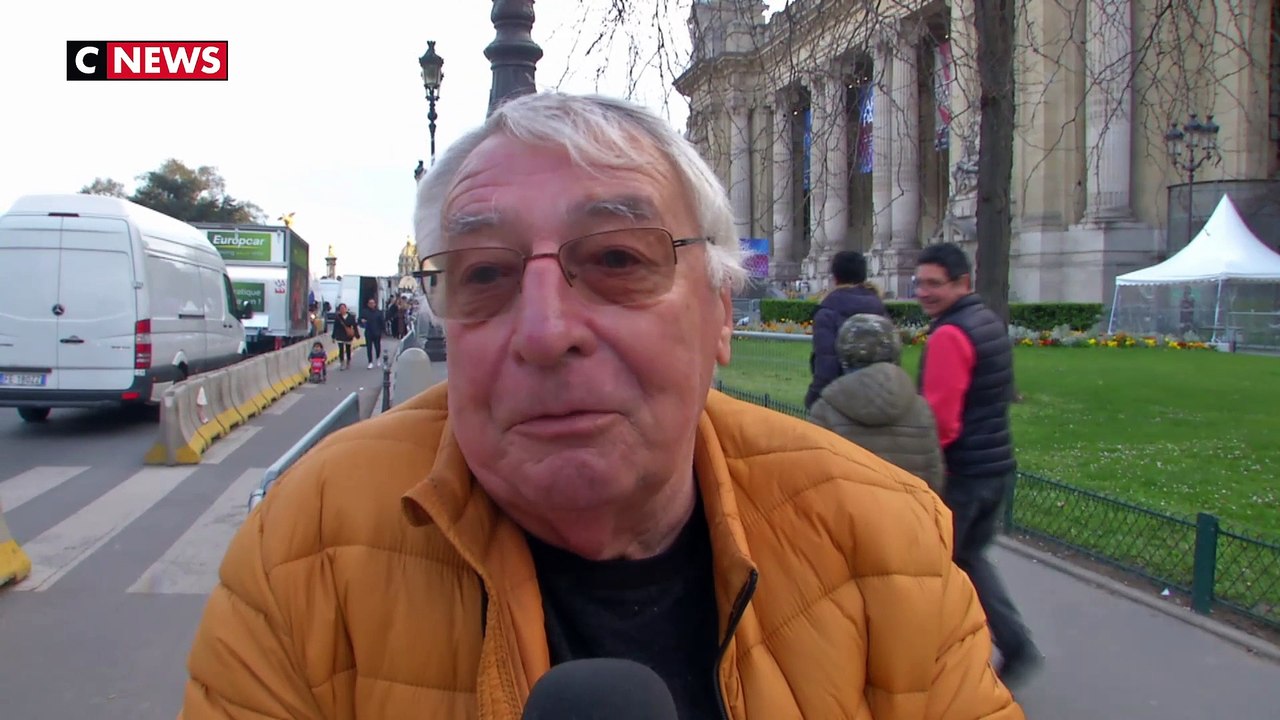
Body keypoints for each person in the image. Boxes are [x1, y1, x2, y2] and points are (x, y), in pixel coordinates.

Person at [179, 93, 1023, 720]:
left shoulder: (884, 540)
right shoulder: (305, 545)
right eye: (482, 273)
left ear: (721, 313)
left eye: (619, 257)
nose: (545, 331)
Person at [914, 242, 1042, 689]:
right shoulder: (987, 323)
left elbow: (940, 420)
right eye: (920, 283)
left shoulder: (950, 335)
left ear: (961, 283)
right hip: (995, 467)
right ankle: (1012, 644)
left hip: (963, 473)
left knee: (933, 568)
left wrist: (927, 474)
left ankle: (938, 662)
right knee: (969, 559)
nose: (923, 293)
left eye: (934, 284)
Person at [809, 313, 945, 492]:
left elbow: (813, 479)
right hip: (908, 514)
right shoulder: (920, 408)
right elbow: (934, 475)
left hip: (849, 516)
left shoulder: (825, 411)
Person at [804, 250, 888, 409]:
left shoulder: (828, 313)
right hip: (880, 396)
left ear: (835, 277)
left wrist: (813, 399)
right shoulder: (879, 307)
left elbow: (826, 364)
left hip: (843, 400)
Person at [330, 302, 358, 370]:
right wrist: (333, 336)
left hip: (348, 335)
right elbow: (335, 327)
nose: (342, 310)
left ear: (346, 309)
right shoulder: (337, 317)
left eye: (343, 308)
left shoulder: (351, 317)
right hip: (340, 335)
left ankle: (348, 361)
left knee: (348, 349)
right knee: (341, 349)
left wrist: (357, 334)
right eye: (341, 308)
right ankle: (342, 362)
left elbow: (354, 326)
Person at [358, 297, 385, 369]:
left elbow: (382, 322)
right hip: (368, 332)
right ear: (368, 304)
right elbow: (359, 320)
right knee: (369, 348)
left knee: (377, 347)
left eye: (373, 303)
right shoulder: (364, 312)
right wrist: (362, 321)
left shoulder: (379, 312)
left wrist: (383, 331)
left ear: (375, 304)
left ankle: (378, 358)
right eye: (370, 303)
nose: (371, 304)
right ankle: (370, 362)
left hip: (377, 332)